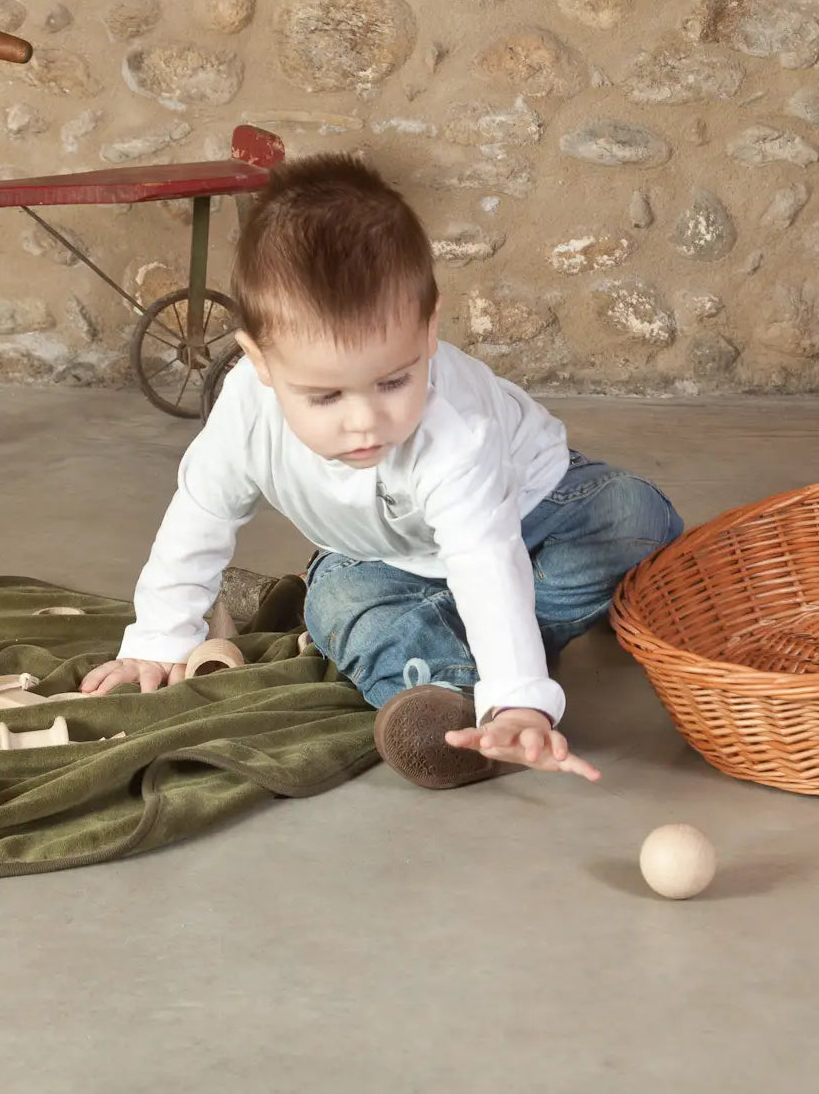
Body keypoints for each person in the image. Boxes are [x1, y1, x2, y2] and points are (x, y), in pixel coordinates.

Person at [81, 152, 683, 789]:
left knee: (627, 522)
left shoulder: (455, 430)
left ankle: (486, 667)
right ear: (259, 360)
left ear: (428, 332)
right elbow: (199, 517)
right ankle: (449, 707)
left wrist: (519, 698)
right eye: (326, 397)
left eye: (394, 380)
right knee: (339, 602)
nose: (365, 422)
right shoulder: (244, 415)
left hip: (536, 513)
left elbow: (486, 555)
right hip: (373, 555)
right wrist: (158, 638)